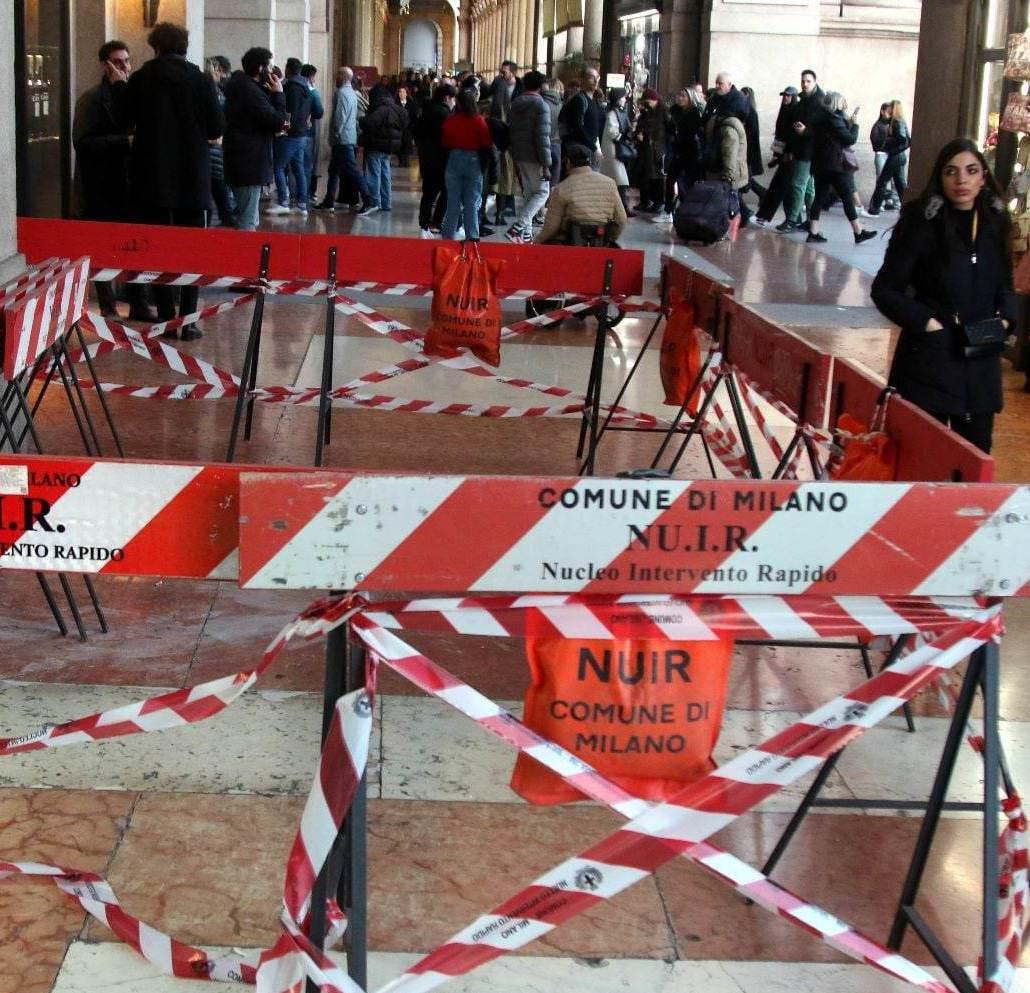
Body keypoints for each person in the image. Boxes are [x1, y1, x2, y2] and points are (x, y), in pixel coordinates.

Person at [871, 139, 1017, 454]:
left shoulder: (995, 221)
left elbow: (1005, 283)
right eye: (952, 171)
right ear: (941, 176)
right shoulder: (921, 221)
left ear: (983, 176)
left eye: (971, 171)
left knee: (973, 459)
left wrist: (1005, 319)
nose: (961, 180)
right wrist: (927, 323)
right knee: (921, 459)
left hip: (980, 356)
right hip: (929, 360)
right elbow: (885, 290)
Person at [105, 21, 223, 336]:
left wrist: (119, 86)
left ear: (155, 47)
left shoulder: (141, 79)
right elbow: (216, 128)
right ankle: (189, 319)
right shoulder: (200, 80)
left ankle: (166, 317)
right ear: (183, 47)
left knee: (155, 248)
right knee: (193, 250)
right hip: (192, 178)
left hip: (151, 177)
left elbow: (122, 120)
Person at [73, 39, 151, 319]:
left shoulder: (132, 96)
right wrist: (124, 143)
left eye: (127, 61)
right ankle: (108, 305)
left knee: (134, 246)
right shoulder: (92, 98)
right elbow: (82, 142)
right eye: (118, 62)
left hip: (130, 184)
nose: (124, 67)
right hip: (101, 187)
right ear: (105, 66)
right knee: (103, 246)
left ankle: (138, 302)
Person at [223, 46, 287, 231]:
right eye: (270, 67)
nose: (272, 71)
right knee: (248, 220)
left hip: (243, 160)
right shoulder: (250, 91)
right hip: (249, 163)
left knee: (248, 215)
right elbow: (277, 122)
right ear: (260, 68)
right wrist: (279, 94)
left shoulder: (244, 88)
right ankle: (244, 258)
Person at [805, 92, 877, 245]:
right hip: (835, 165)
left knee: (818, 198)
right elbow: (849, 139)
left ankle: (813, 231)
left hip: (819, 164)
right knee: (846, 197)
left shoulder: (818, 118)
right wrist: (855, 124)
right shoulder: (834, 119)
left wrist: (846, 123)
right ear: (836, 103)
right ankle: (858, 231)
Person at [538, 143, 627, 245]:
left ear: (568, 162)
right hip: (600, 243)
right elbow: (621, 220)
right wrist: (609, 239)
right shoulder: (610, 183)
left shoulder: (561, 188)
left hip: (569, 246)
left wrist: (536, 243)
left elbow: (551, 227)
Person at [315, 67, 372, 212]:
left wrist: (336, 135)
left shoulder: (341, 93)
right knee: (334, 170)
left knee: (352, 170)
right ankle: (329, 200)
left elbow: (341, 116)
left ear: (342, 77)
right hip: (349, 137)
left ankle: (368, 199)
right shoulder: (352, 93)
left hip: (343, 140)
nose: (335, 78)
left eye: (337, 76)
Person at [440, 86, 493, 241]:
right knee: (472, 202)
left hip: (454, 159)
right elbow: (486, 142)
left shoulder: (451, 120)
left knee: (453, 202)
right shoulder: (478, 120)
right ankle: (472, 236)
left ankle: (448, 236)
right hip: (474, 161)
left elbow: (445, 141)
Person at [506, 70, 552, 244]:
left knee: (528, 194)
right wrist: (546, 164)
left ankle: (526, 236)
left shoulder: (516, 103)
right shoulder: (541, 105)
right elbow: (543, 137)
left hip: (519, 155)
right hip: (535, 156)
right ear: (540, 86)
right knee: (542, 192)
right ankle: (519, 227)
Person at [777, 69, 822, 232]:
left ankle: (792, 220)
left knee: (797, 185)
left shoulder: (819, 101)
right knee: (808, 188)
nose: (805, 84)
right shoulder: (803, 101)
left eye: (808, 81)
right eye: (803, 81)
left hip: (808, 150)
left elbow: (822, 129)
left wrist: (806, 131)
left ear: (815, 82)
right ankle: (811, 220)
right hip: (800, 148)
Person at [267, 58, 313, 216]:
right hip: (302, 134)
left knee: (279, 167)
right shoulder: (306, 86)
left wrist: (283, 130)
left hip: (291, 134)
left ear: (288, 69)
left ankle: (283, 201)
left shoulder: (292, 88)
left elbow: (290, 113)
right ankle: (302, 204)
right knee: (298, 168)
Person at [356, 83, 407, 216]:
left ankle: (374, 202)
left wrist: (361, 119)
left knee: (374, 173)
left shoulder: (381, 110)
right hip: (390, 147)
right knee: (385, 173)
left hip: (376, 145)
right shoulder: (397, 109)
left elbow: (369, 123)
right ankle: (386, 202)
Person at [703, 86, 751, 227]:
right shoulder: (730, 125)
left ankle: (734, 220)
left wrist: (728, 175)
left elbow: (730, 152)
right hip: (729, 168)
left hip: (726, 169)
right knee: (732, 195)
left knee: (729, 196)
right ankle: (741, 216)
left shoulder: (727, 127)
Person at [413, 81, 455, 236]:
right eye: (452, 99)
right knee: (446, 191)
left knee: (428, 193)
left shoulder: (426, 111)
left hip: (426, 159)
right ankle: (436, 222)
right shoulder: (446, 115)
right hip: (443, 160)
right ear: (446, 98)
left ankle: (423, 222)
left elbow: (416, 133)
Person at [754, 86, 798, 226]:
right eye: (784, 95)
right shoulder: (784, 112)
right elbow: (779, 136)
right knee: (784, 189)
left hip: (791, 157)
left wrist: (789, 153)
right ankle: (795, 219)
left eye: (788, 96)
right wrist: (776, 155)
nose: (785, 98)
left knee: (781, 187)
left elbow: (794, 136)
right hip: (784, 156)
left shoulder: (795, 114)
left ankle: (765, 216)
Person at [488, 60, 522, 224]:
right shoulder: (498, 93)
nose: (501, 75)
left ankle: (503, 210)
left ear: (513, 73)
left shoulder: (520, 90)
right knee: (504, 178)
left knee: (503, 177)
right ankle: (500, 214)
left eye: (504, 73)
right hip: (503, 143)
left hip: (505, 143)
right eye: (500, 72)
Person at [205, 55, 236, 228]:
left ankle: (225, 215)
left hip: (215, 143)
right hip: (216, 143)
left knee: (218, 183)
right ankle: (226, 215)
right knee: (218, 183)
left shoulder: (219, 90)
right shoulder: (219, 89)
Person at [665, 86, 705, 211]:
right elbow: (671, 128)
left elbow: (692, 134)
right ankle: (669, 209)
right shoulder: (675, 111)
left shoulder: (694, 114)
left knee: (686, 182)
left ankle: (685, 208)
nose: (680, 98)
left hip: (689, 153)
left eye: (684, 96)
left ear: (690, 98)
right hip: (678, 151)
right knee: (671, 179)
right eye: (680, 95)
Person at [868, 99, 910, 214]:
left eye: (891, 107)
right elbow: (907, 140)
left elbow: (902, 139)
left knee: (882, 182)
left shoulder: (897, 121)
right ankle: (907, 208)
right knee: (900, 184)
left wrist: (888, 143)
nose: (889, 109)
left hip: (895, 156)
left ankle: (874, 210)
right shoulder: (899, 121)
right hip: (898, 155)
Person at [559, 69, 605, 166]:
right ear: (582, 80)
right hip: (579, 152)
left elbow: (594, 129)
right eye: (592, 77)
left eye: (597, 78)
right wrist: (594, 148)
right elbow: (577, 128)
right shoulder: (579, 101)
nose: (596, 81)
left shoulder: (593, 101)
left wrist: (597, 147)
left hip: (588, 149)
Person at [635, 88, 669, 219]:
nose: (646, 104)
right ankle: (645, 201)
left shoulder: (663, 112)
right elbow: (641, 125)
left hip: (657, 149)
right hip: (645, 148)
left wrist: (649, 137)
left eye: (648, 101)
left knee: (656, 176)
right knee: (645, 175)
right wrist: (639, 133)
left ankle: (658, 202)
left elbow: (667, 130)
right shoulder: (646, 112)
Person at [600, 88, 634, 215]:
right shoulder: (612, 114)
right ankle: (622, 208)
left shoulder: (615, 112)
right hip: (613, 150)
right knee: (621, 180)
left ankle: (619, 207)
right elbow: (612, 131)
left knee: (618, 180)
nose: (625, 100)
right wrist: (623, 137)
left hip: (614, 150)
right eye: (623, 97)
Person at [300, 64, 324, 205]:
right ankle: (306, 194)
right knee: (307, 165)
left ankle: (292, 195)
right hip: (308, 132)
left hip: (293, 132)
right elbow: (319, 111)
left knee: (294, 165)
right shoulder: (313, 92)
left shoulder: (289, 87)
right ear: (310, 76)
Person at [740, 86, 765, 199]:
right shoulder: (744, 110)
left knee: (744, 177)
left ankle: (762, 193)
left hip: (747, 149)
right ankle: (762, 193)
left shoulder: (751, 113)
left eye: (743, 94)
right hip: (745, 148)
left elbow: (752, 134)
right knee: (744, 176)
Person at [542, 78, 564, 190]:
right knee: (555, 178)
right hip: (557, 143)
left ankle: (542, 205)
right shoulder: (562, 104)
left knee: (542, 179)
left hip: (543, 142)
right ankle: (551, 203)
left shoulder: (542, 102)